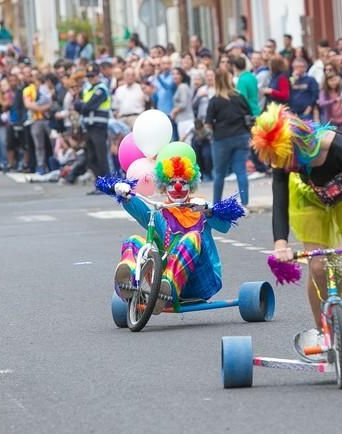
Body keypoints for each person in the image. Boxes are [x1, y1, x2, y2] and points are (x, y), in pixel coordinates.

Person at [251, 103, 342, 352]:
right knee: (316, 265)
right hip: (311, 199)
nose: (284, 167)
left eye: (285, 161)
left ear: (297, 147)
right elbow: (280, 203)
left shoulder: (338, 147)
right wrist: (280, 244)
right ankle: (324, 330)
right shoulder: (281, 160)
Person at [107, 147, 243, 311]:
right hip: (161, 285)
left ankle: (169, 287)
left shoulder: (200, 208)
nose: (177, 187)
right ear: (163, 187)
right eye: (171, 183)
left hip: (203, 282)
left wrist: (208, 210)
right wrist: (124, 194)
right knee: (133, 241)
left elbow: (225, 227)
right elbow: (139, 209)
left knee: (193, 237)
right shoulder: (160, 214)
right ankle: (127, 281)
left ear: (191, 185)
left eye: (183, 182)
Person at [205, 69, 252, 207]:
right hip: (241, 136)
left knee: (219, 173)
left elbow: (208, 123)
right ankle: (245, 203)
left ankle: (217, 204)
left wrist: (212, 133)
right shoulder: (240, 97)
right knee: (241, 171)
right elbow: (249, 115)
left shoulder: (214, 101)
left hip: (222, 139)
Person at [74, 64, 111, 192]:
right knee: (91, 158)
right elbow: (77, 105)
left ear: (98, 75)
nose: (91, 79)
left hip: (99, 128)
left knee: (101, 157)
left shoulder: (101, 89)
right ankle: (99, 185)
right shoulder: (88, 90)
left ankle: (106, 185)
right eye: (89, 76)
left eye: (93, 76)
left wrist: (82, 105)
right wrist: (82, 105)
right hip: (89, 129)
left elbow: (87, 106)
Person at [170, 67, 194, 144]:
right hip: (182, 120)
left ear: (182, 76)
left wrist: (174, 111)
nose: (175, 76)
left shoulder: (182, 86)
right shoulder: (180, 87)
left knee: (186, 144)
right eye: (173, 74)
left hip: (186, 120)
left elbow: (183, 104)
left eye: (177, 74)